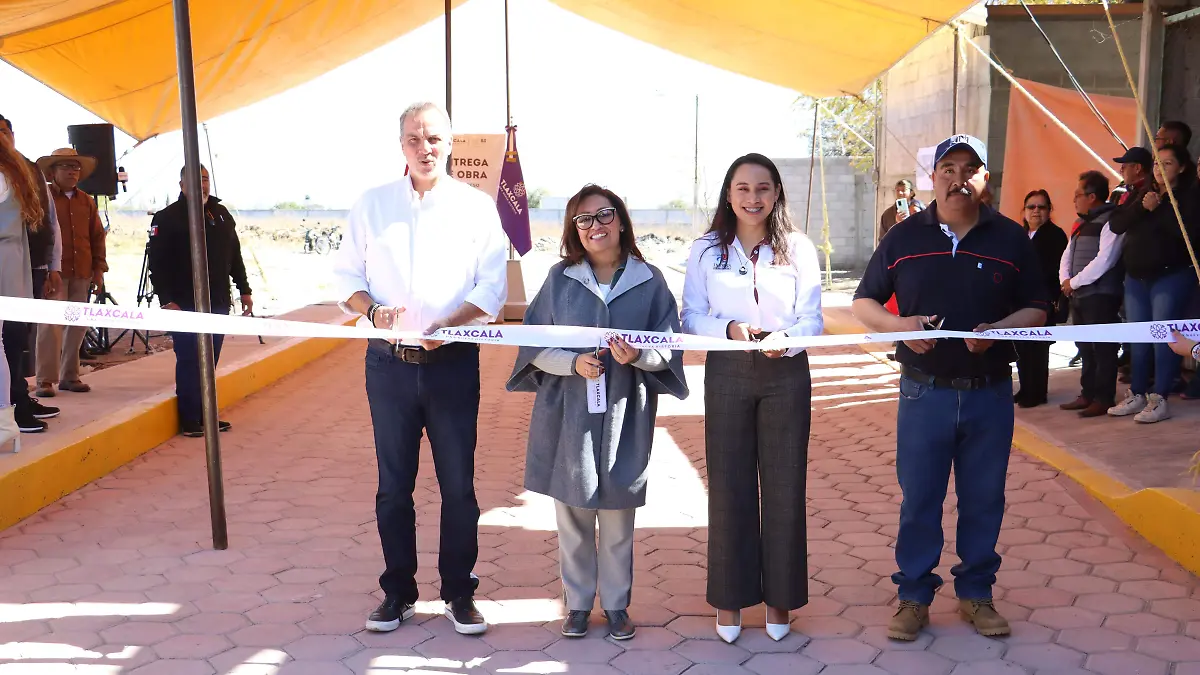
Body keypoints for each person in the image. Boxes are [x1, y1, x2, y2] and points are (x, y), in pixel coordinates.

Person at [851, 135, 1049, 642]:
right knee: (920, 499)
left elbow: (1039, 310)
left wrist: (1000, 331)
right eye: (948, 167)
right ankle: (914, 597)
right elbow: (865, 303)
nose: (958, 177)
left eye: (971, 168)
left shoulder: (1010, 239)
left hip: (989, 393)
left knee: (984, 498)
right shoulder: (902, 237)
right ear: (933, 177)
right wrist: (902, 328)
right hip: (923, 393)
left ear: (986, 179)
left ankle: (976, 594)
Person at [330, 101, 507, 636]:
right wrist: (373, 310)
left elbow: (492, 285)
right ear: (400, 145)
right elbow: (345, 277)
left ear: (450, 143)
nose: (424, 148)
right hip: (388, 368)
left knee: (459, 486)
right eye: (413, 139)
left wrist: (450, 325)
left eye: (433, 138)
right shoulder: (372, 205)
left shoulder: (476, 208)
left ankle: (459, 593)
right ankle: (398, 594)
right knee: (392, 488)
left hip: (453, 364)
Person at [507, 185, 688, 641]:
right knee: (571, 508)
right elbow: (532, 342)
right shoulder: (560, 279)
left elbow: (668, 346)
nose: (595, 226)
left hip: (626, 408)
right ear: (574, 230)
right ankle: (578, 603)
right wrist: (572, 363)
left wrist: (637, 358)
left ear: (621, 220)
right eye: (583, 220)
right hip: (570, 410)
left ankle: (617, 604)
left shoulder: (649, 282)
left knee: (619, 509)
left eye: (603, 215)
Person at [681, 153, 823, 644]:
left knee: (784, 485)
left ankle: (780, 599)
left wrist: (790, 338)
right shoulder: (704, 250)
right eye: (742, 188)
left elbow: (813, 318)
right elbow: (690, 315)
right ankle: (730, 597)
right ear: (728, 194)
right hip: (727, 370)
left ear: (777, 193)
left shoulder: (799, 247)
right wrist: (728, 329)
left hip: (786, 371)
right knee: (728, 486)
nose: (753, 198)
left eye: (763, 188)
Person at [148, 165, 252, 437]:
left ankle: (207, 413)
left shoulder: (220, 214)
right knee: (189, 358)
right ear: (181, 184)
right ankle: (190, 417)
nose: (201, 185)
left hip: (217, 301)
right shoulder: (167, 217)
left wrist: (244, 289)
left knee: (210, 360)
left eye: (205, 179)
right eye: (195, 180)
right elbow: (157, 264)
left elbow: (234, 256)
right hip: (183, 303)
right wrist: (166, 300)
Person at [1107, 144, 1200, 423]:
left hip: (1170, 275)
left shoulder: (1190, 195)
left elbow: (1188, 235)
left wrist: (1160, 210)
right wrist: (1144, 207)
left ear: (1182, 167)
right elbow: (1117, 223)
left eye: (1168, 164)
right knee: (1139, 339)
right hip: (1136, 277)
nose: (1160, 169)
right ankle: (1137, 392)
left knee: (1165, 339)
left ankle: (1159, 397)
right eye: (1158, 163)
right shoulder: (1141, 192)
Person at [0, 114, 60, 432]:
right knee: (10, 340)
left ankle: (16, 403)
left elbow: (49, 223)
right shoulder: (13, 173)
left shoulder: (23, 170)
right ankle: (14, 407)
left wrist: (53, 265)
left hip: (22, 263)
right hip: (12, 262)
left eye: (4, 130)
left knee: (15, 339)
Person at [34, 148, 107, 399]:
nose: (72, 171)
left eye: (75, 167)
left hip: (82, 271)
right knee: (50, 326)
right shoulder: (42, 199)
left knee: (77, 325)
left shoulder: (86, 200)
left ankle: (69, 376)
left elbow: (97, 236)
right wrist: (43, 270)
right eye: (65, 166)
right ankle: (44, 380)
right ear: (52, 171)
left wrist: (99, 270)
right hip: (54, 272)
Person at [1059, 170, 1124, 418]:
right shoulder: (1080, 223)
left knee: (1103, 349)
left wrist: (1073, 282)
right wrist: (1065, 280)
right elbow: (1068, 254)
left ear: (1092, 196)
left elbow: (1105, 260)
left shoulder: (1111, 220)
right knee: (1085, 347)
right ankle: (1087, 394)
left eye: (1078, 195)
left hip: (1101, 295)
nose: (1075, 200)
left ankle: (1103, 398)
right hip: (1079, 295)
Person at [1014, 189, 1067, 408]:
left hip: (1042, 300)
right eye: (1031, 207)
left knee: (1038, 347)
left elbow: (1051, 270)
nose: (1036, 211)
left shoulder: (1054, 235)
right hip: (1018, 302)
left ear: (1049, 210)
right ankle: (1025, 388)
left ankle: (1037, 393)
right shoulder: (1020, 235)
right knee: (1021, 348)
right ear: (1024, 211)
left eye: (1041, 207)